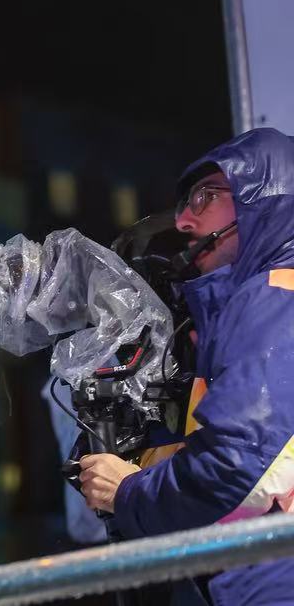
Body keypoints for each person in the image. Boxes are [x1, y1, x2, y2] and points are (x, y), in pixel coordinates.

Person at [79, 127, 294, 604]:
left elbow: (240, 473)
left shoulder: (275, 295)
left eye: (205, 197)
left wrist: (129, 493)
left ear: (264, 197)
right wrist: (138, 459)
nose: (183, 223)